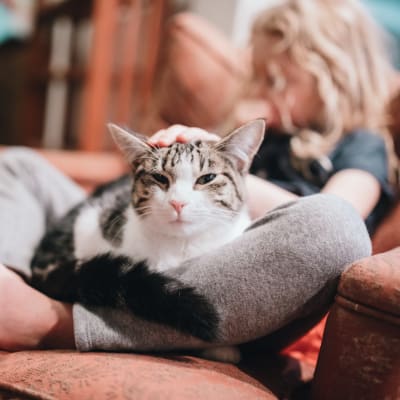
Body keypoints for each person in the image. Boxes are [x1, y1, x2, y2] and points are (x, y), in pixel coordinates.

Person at [0, 0, 395, 354]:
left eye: (276, 79)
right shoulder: (264, 133)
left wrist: (231, 168)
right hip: (166, 241)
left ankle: (59, 323)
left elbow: (346, 213)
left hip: (243, 286)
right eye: (256, 75)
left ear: (336, 75)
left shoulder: (361, 144)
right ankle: (8, 282)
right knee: (19, 163)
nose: (261, 89)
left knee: (335, 225)